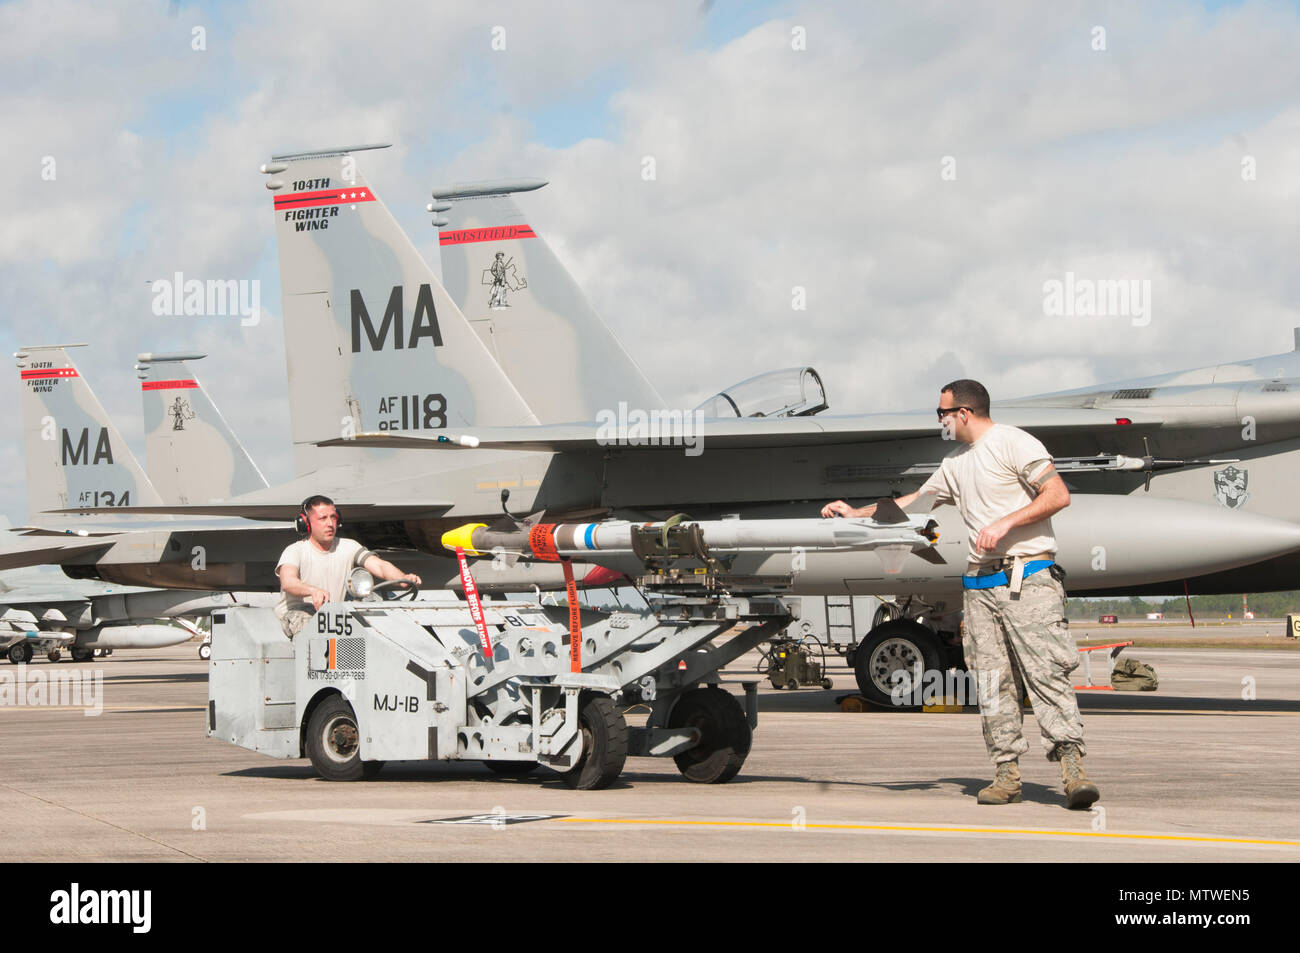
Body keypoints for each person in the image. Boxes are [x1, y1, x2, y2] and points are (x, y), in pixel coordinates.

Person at [822, 379, 1099, 810]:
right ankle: (1007, 774)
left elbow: (1057, 493)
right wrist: (854, 512)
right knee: (991, 683)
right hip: (979, 587)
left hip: (1027, 578)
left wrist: (1005, 524)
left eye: (942, 413)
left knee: (1046, 673)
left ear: (964, 413)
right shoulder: (955, 463)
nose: (939, 421)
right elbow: (914, 503)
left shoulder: (1014, 443)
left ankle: (1072, 771)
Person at [275, 495, 422, 639]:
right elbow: (288, 582)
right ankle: (314, 662)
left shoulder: (348, 546)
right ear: (306, 523)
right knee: (312, 631)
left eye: (333, 517)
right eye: (322, 518)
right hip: (298, 615)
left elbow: (379, 565)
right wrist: (312, 591)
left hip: (333, 615)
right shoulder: (295, 551)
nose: (330, 523)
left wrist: (401, 578)